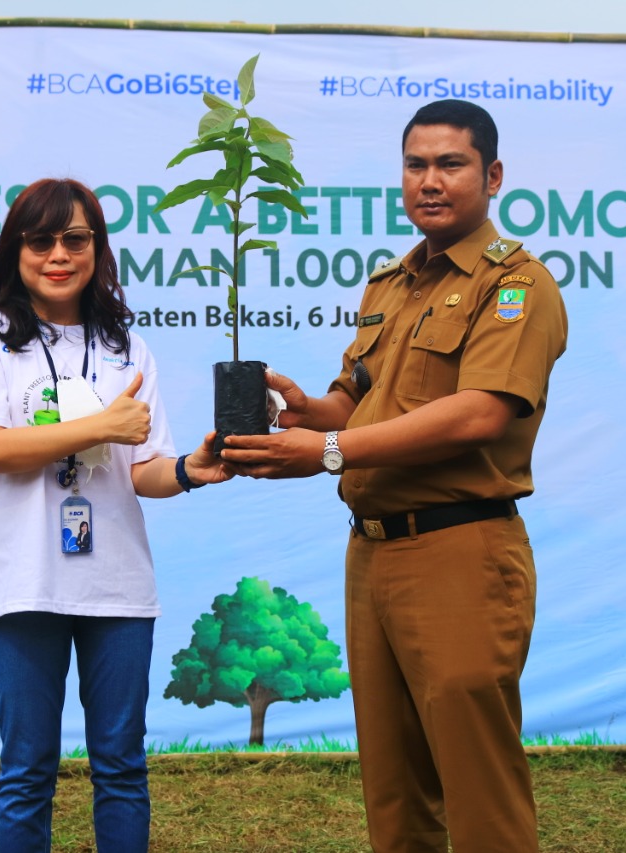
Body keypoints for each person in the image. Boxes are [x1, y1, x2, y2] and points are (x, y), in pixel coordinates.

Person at [222, 100, 568, 852]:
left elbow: (481, 412)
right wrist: (306, 409)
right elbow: (357, 396)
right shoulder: (392, 283)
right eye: (416, 165)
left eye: (451, 164)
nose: (430, 181)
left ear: (493, 175)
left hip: (460, 550)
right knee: (393, 783)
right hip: (372, 553)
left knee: (479, 788)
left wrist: (331, 450)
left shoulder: (516, 285)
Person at [0, 177, 230, 853]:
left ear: (97, 248)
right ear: (15, 249)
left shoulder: (126, 346)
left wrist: (191, 469)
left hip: (118, 586)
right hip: (23, 583)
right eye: (40, 240)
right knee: (27, 771)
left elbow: (145, 471)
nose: (58, 254)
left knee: (123, 768)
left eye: (75, 238)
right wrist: (102, 425)